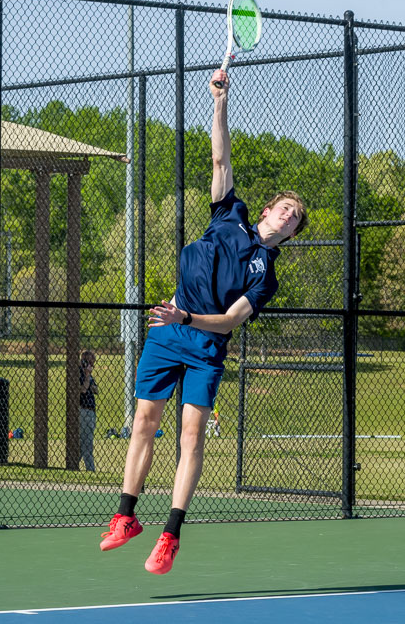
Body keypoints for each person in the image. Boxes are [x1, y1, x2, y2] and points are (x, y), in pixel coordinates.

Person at [100, 68, 308, 575]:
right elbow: (220, 155)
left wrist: (188, 316)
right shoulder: (228, 212)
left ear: (294, 233)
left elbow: (232, 321)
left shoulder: (266, 276)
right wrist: (219, 99)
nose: (287, 215)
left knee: (191, 437)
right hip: (168, 332)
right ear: (265, 208)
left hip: (203, 342)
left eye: (295, 217)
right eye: (284, 207)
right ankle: (125, 517)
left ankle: (170, 534)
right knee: (144, 424)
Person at [78, 350, 99, 472]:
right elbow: (83, 390)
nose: (92, 366)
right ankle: (90, 469)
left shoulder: (89, 375)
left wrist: (89, 378)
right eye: (90, 363)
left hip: (91, 411)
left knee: (83, 443)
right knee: (86, 442)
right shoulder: (80, 373)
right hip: (83, 410)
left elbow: (96, 390)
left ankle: (73, 465)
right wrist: (86, 375)